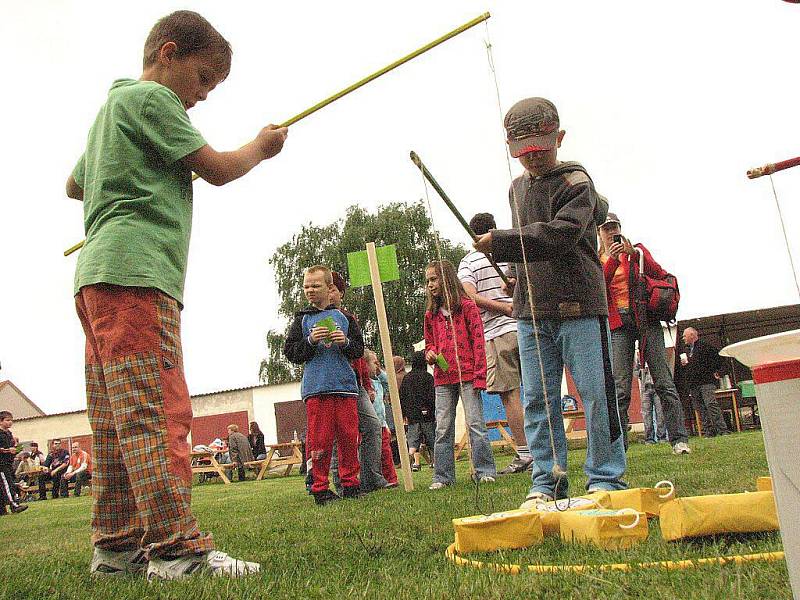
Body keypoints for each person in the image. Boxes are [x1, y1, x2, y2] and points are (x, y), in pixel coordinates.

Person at [65, 11, 285, 578]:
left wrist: (126, 173)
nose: (203, 95)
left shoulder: (109, 111)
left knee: (115, 421)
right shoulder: (153, 100)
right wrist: (260, 147)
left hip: (96, 275)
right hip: (139, 274)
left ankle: (116, 549)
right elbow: (214, 167)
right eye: (204, 78)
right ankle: (178, 550)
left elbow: (74, 184)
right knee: (157, 410)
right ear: (168, 54)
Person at [474, 97, 627, 503]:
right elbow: (529, 242)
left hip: (579, 306)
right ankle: (547, 481)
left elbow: (559, 235)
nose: (532, 160)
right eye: (523, 153)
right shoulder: (517, 188)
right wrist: (514, 276)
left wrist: (502, 242)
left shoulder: (577, 183)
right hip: (531, 311)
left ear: (558, 138)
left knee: (595, 396)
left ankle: (606, 479)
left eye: (540, 150)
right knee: (538, 400)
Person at [597, 212, 691, 455]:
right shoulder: (598, 259)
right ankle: (619, 448)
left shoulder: (636, 251)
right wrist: (615, 261)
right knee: (620, 387)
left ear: (620, 227)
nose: (610, 232)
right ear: (599, 233)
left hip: (645, 319)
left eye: (614, 227)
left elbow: (659, 273)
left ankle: (679, 440)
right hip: (618, 324)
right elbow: (600, 287)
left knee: (663, 380)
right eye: (606, 228)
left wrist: (633, 255)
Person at [284, 265, 365, 505]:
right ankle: (320, 488)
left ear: (329, 288)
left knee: (350, 439)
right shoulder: (302, 319)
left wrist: (345, 342)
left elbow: (359, 350)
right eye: (306, 286)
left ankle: (351, 484)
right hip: (316, 390)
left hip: (345, 387)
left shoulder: (346, 318)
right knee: (319, 441)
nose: (310, 290)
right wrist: (309, 341)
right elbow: (291, 352)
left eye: (315, 285)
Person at [459, 212, 532, 474]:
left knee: (510, 395)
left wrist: (503, 309)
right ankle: (546, 449)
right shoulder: (510, 255)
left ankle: (526, 453)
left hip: (499, 331)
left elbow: (469, 297)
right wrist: (508, 306)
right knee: (535, 392)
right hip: (523, 325)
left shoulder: (468, 263)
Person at [423, 260, 497, 490]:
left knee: (475, 423)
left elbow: (478, 341)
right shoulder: (431, 315)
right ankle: (443, 476)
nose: (430, 285)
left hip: (468, 374)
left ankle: (484, 470)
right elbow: (429, 343)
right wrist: (430, 353)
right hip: (443, 376)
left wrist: (480, 375)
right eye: (427, 281)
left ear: (446, 279)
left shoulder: (467, 306)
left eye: (433, 279)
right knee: (443, 427)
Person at [327, 271, 389, 494]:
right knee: (339, 435)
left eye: (333, 288)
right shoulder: (314, 319)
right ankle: (342, 483)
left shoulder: (349, 319)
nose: (329, 293)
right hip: (331, 385)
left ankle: (371, 478)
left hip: (355, 383)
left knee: (372, 426)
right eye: (326, 288)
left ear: (341, 293)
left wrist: (367, 384)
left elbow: (359, 352)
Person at [677, 327, 730, 437]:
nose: (683, 338)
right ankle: (708, 431)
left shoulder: (705, 346)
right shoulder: (686, 350)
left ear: (692, 335)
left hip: (706, 382)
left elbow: (721, 358)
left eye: (685, 336)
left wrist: (719, 372)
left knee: (710, 404)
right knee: (700, 408)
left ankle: (722, 429)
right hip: (693, 383)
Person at [365, 350, 398, 487]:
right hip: (370, 425)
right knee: (374, 454)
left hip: (382, 424)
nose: (377, 365)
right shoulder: (364, 384)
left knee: (386, 453)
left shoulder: (378, 381)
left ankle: (391, 479)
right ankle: (374, 478)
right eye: (374, 362)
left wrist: (379, 372)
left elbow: (390, 384)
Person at [399, 351, 437, 472]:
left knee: (413, 441)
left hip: (412, 416)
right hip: (427, 415)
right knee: (432, 439)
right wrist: (431, 410)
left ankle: (410, 462)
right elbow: (432, 396)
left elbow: (402, 397)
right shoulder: (428, 377)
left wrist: (404, 413)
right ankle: (435, 462)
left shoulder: (407, 378)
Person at [0, 411, 28, 515]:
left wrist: (16, 448)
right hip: (1, 464)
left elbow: (12, 446)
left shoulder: (9, 434)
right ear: (1, 421)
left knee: (4, 486)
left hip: (8, 462)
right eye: (7, 420)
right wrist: (7, 450)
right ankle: (14, 505)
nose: (10, 422)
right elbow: (4, 449)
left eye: (11, 420)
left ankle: (2, 510)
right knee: (8, 485)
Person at [635, 355, 667, 444]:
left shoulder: (654, 354)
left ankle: (662, 437)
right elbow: (635, 372)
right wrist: (642, 372)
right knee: (646, 414)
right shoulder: (639, 358)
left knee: (660, 413)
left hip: (657, 387)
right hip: (645, 388)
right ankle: (649, 438)